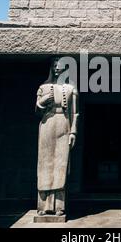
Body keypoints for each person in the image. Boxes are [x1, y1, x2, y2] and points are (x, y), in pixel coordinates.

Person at [35, 57, 79, 217]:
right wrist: (42, 102)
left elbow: (75, 112)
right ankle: (43, 206)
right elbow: (37, 110)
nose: (57, 68)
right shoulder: (43, 87)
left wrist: (73, 131)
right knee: (45, 162)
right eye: (54, 66)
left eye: (60, 66)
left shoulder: (71, 88)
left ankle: (59, 206)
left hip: (63, 124)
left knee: (61, 163)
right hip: (48, 124)